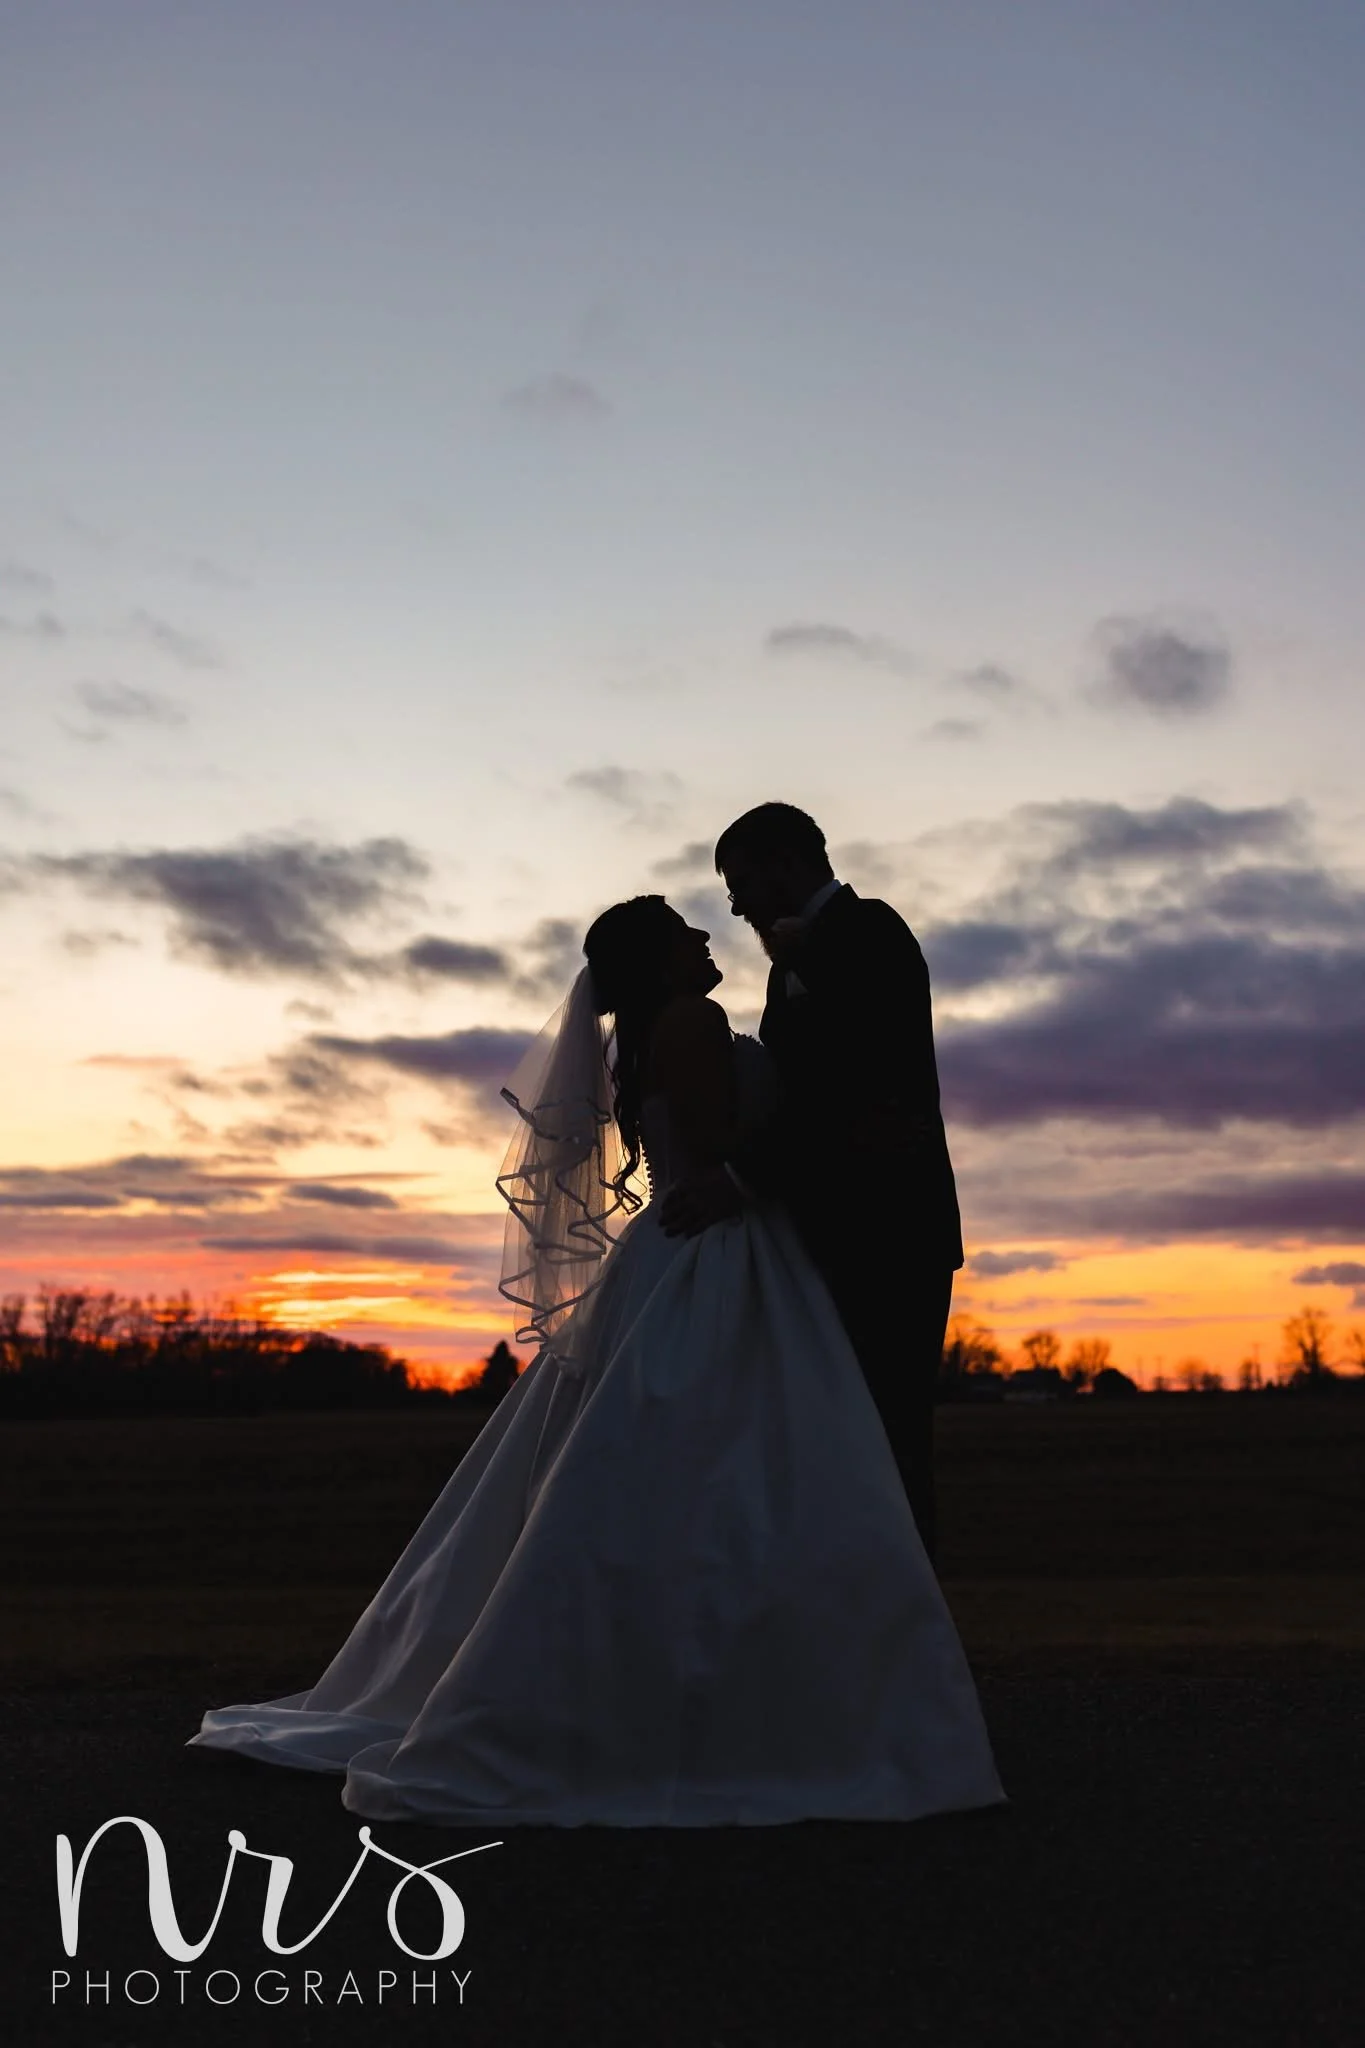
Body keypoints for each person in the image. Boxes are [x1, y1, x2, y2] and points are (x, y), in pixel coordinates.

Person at [187, 895, 1002, 1828]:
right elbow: (711, 1151)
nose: (707, 938)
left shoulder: (649, 1032)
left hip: (685, 1247)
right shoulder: (692, 1021)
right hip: (720, 1249)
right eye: (687, 932)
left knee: (679, 1469)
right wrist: (792, 1151)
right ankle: (751, 1699)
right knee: (746, 1469)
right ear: (660, 962)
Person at [661, 803, 961, 1561]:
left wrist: (740, 1178)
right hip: (828, 1235)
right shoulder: (795, 957)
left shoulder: (868, 934)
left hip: (885, 1234)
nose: (732, 905)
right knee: (836, 1443)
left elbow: (852, 1091)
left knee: (884, 1439)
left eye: (738, 882)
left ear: (786, 864)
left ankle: (906, 1645)